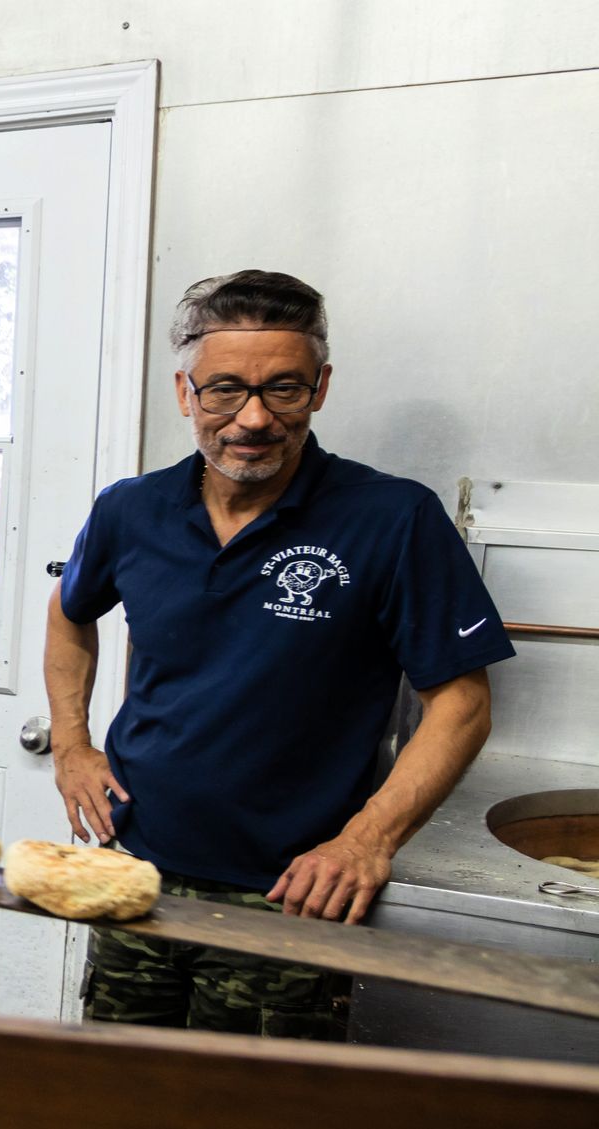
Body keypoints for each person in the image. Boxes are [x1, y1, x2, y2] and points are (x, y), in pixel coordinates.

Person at [43, 270, 513, 1039]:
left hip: (289, 895)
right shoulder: (130, 509)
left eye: (284, 390)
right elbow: (70, 617)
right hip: (132, 870)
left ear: (320, 388)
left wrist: (366, 841)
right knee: (118, 1100)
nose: (254, 419)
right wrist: (70, 744)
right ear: (184, 392)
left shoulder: (392, 519)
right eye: (225, 390)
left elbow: (462, 704)